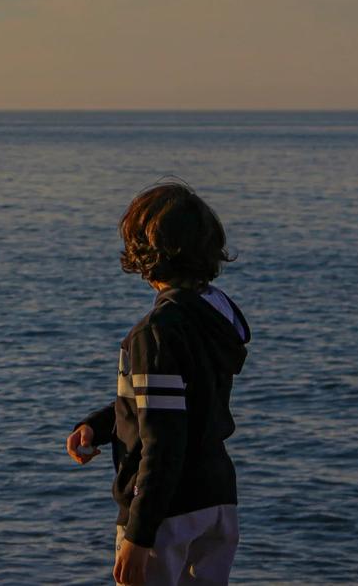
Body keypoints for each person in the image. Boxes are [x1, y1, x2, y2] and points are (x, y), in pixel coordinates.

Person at [66, 183, 253, 586]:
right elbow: (183, 401)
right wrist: (100, 426)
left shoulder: (156, 333)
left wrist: (139, 533)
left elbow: (164, 440)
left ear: (145, 255)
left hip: (168, 513)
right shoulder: (216, 316)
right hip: (217, 499)